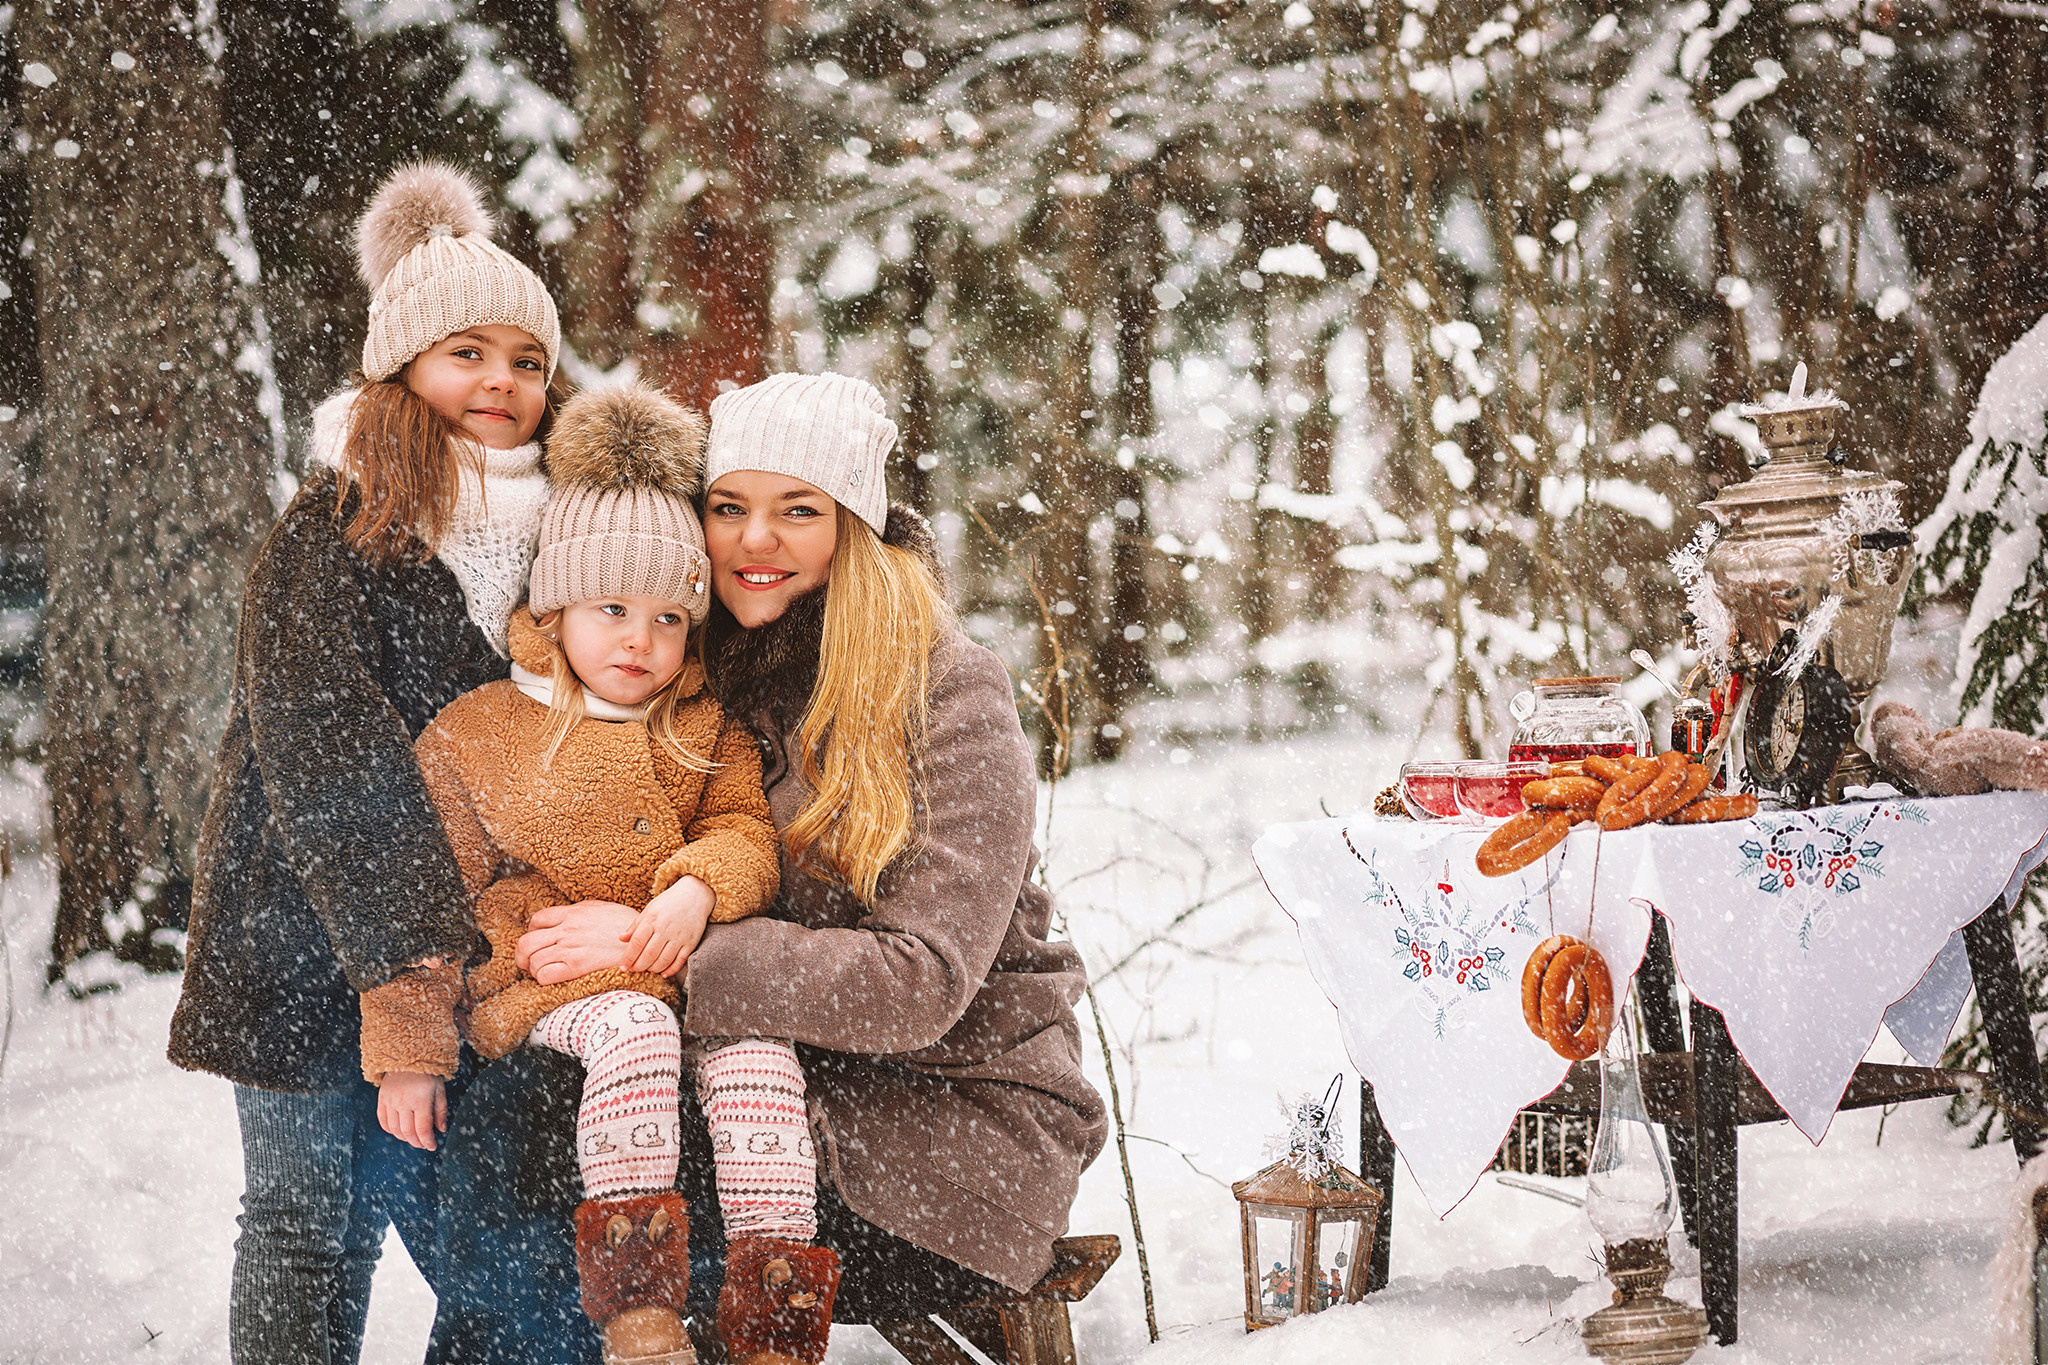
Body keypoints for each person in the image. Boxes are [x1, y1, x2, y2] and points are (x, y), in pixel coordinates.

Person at [502, 372, 1108, 1360]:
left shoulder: (949, 690)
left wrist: (663, 954)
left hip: (952, 1126)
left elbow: (921, 982)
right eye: (728, 507)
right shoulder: (695, 671)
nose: (753, 540)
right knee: (521, 1106)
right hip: (770, 1083)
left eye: (797, 511)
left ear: (855, 528)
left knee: (556, 1153)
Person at [166, 160, 561, 1364]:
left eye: (527, 360)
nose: (500, 380)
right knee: (304, 1221)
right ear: (400, 367)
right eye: (467, 353)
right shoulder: (330, 529)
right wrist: (404, 967)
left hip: (465, 949)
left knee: (486, 1239)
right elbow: (333, 761)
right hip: (296, 927)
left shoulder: (564, 526)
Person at [362, 380, 821, 1365]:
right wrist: (409, 1048)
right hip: (548, 981)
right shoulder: (483, 730)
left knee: (758, 1067)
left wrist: (697, 884)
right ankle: (638, 1305)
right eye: (611, 609)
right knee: (634, 1033)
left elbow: (745, 831)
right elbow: (416, 898)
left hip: (678, 969)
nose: (639, 643)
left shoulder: (701, 728)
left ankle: (774, 1320)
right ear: (554, 606)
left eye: (667, 620)